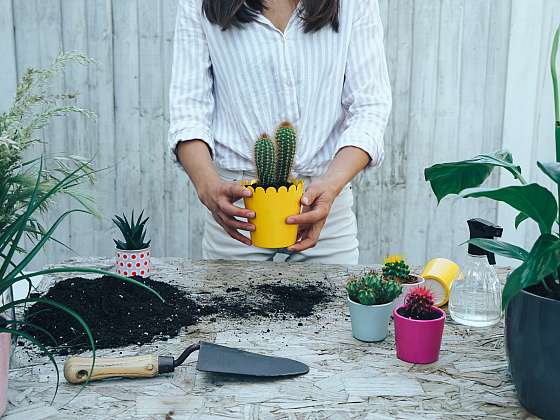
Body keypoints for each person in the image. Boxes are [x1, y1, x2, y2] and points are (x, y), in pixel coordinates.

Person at [169, 0, 391, 264]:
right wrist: (208, 187)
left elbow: (369, 107)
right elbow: (188, 109)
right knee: (231, 304)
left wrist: (331, 186)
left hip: (323, 206)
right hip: (239, 211)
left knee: (330, 305)